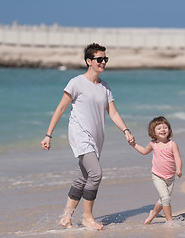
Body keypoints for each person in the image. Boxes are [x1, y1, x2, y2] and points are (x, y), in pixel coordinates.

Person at [41, 43, 134, 230]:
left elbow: (113, 113)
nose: (103, 62)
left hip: (97, 137)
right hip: (80, 135)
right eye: (99, 59)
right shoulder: (76, 83)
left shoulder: (105, 87)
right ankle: (87, 217)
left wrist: (126, 131)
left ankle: (66, 218)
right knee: (96, 174)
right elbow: (60, 109)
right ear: (88, 61)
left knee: (82, 177)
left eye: (105, 59)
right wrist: (48, 134)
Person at [130, 116, 182, 224]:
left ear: (169, 129)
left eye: (165, 127)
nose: (163, 130)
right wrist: (134, 144)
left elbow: (177, 158)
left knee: (163, 200)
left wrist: (179, 169)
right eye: (159, 128)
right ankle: (169, 221)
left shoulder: (172, 144)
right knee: (166, 198)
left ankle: (153, 214)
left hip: (171, 177)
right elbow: (144, 151)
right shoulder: (153, 144)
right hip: (158, 176)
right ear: (153, 132)